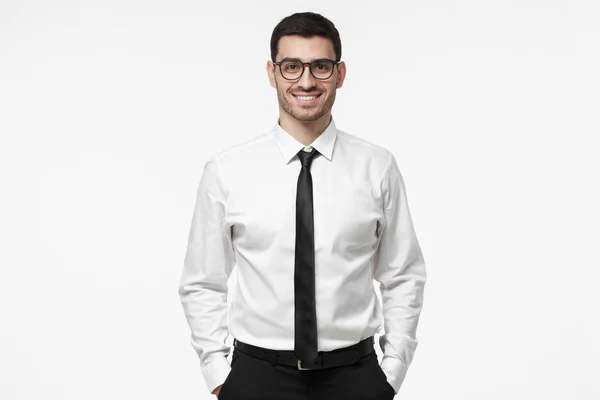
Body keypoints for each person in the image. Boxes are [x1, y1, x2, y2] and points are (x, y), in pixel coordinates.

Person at [178, 11, 426, 400]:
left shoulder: (377, 167)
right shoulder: (227, 171)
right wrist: (219, 374)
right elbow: (203, 281)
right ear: (272, 73)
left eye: (320, 67)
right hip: (257, 378)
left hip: (355, 378)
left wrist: (391, 371)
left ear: (340, 74)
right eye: (292, 67)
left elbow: (403, 274)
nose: (306, 81)